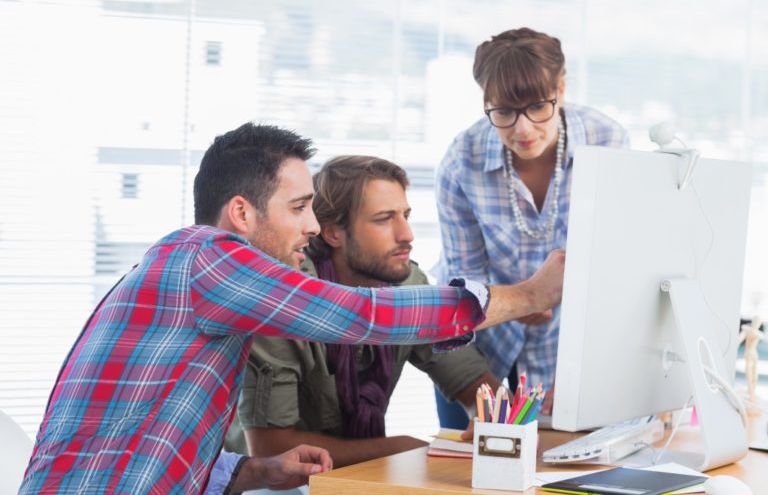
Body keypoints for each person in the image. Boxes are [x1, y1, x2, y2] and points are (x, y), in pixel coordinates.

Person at [21, 123, 565, 494]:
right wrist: (530, 296)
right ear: (241, 212)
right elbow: (361, 316)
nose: (311, 226)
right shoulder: (208, 258)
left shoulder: (201, 279)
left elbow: (156, 439)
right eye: (299, 208)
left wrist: (254, 470)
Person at [230, 155, 500, 467]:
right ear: (332, 234)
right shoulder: (284, 300)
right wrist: (402, 448)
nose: (406, 235)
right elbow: (270, 448)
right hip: (271, 485)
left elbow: (472, 381)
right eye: (384, 219)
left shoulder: (408, 283)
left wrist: (493, 422)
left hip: (359, 476)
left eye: (406, 216)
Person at [434, 27, 629, 429]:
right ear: (485, 101)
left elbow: (618, 266)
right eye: (503, 112)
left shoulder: (607, 142)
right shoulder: (462, 161)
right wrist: (523, 301)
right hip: (481, 345)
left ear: (561, 89)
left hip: (569, 347)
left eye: (538, 107)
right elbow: (464, 282)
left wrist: (585, 372)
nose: (522, 130)